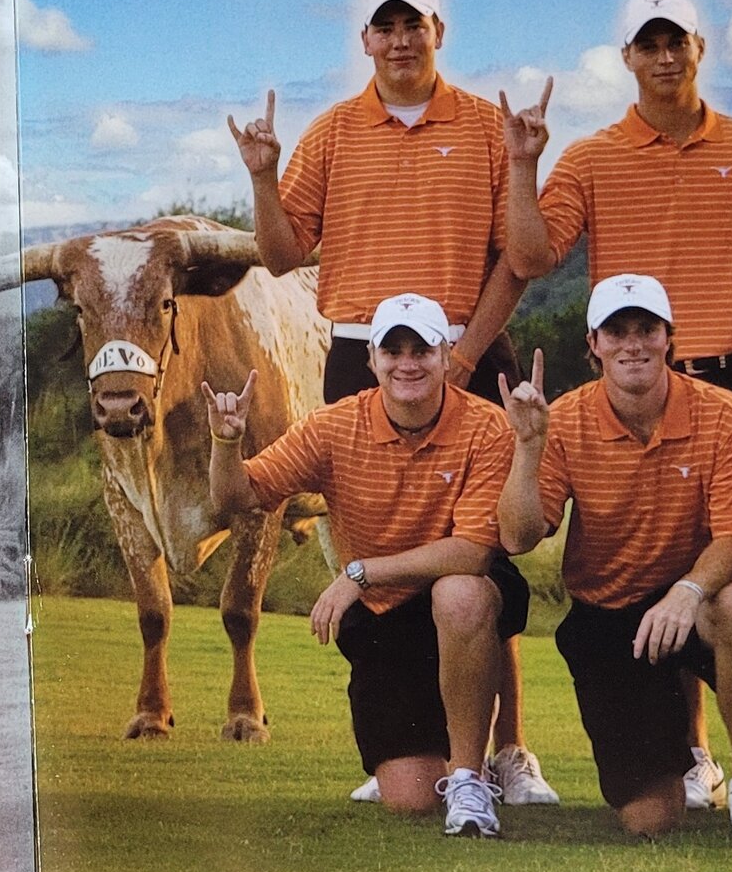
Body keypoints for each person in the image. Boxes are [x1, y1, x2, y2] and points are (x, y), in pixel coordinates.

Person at [229, 0, 556, 807]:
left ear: (438, 30)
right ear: (366, 40)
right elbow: (279, 253)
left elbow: (521, 258)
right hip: (360, 353)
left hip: (466, 345)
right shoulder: (334, 131)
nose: (401, 38)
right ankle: (420, 749)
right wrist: (263, 178)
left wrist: (465, 352)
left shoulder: (487, 126)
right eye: (386, 26)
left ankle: (505, 749)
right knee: (377, 528)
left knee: (484, 560)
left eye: (415, 23)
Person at [501, 0, 732, 810]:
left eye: (677, 40)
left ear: (700, 48)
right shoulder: (595, 155)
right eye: (649, 43)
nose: (665, 55)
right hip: (638, 378)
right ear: (628, 60)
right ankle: (696, 756)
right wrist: (524, 163)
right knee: (658, 564)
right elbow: (534, 255)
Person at [204, 293, 529, 838]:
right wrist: (224, 442)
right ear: (373, 360)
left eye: (422, 349)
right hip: (385, 615)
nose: (408, 362)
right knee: (410, 798)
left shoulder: (486, 426)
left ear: (447, 357)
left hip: (449, 594)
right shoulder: (334, 426)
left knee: (462, 592)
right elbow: (237, 496)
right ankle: (433, 764)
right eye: (393, 349)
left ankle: (472, 777)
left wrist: (359, 573)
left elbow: (472, 551)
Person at [496, 275, 732, 844]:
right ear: (594, 345)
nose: (632, 343)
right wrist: (528, 448)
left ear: (668, 340)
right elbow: (517, 536)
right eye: (617, 331)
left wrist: (686, 592)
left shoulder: (726, 414)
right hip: (609, 613)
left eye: (646, 329)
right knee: (650, 817)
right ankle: (684, 764)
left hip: (695, 601)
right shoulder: (565, 418)